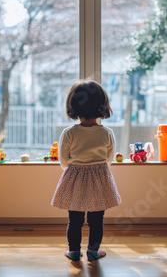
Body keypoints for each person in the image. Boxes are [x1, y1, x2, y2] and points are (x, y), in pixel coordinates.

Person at [51, 79, 121, 262]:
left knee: (74, 219)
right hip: (100, 178)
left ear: (73, 105)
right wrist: (97, 169)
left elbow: (64, 160)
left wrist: (73, 169)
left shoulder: (69, 133)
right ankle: (93, 251)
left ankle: (73, 251)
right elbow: (109, 158)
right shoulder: (106, 133)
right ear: (102, 105)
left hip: (75, 177)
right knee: (97, 220)